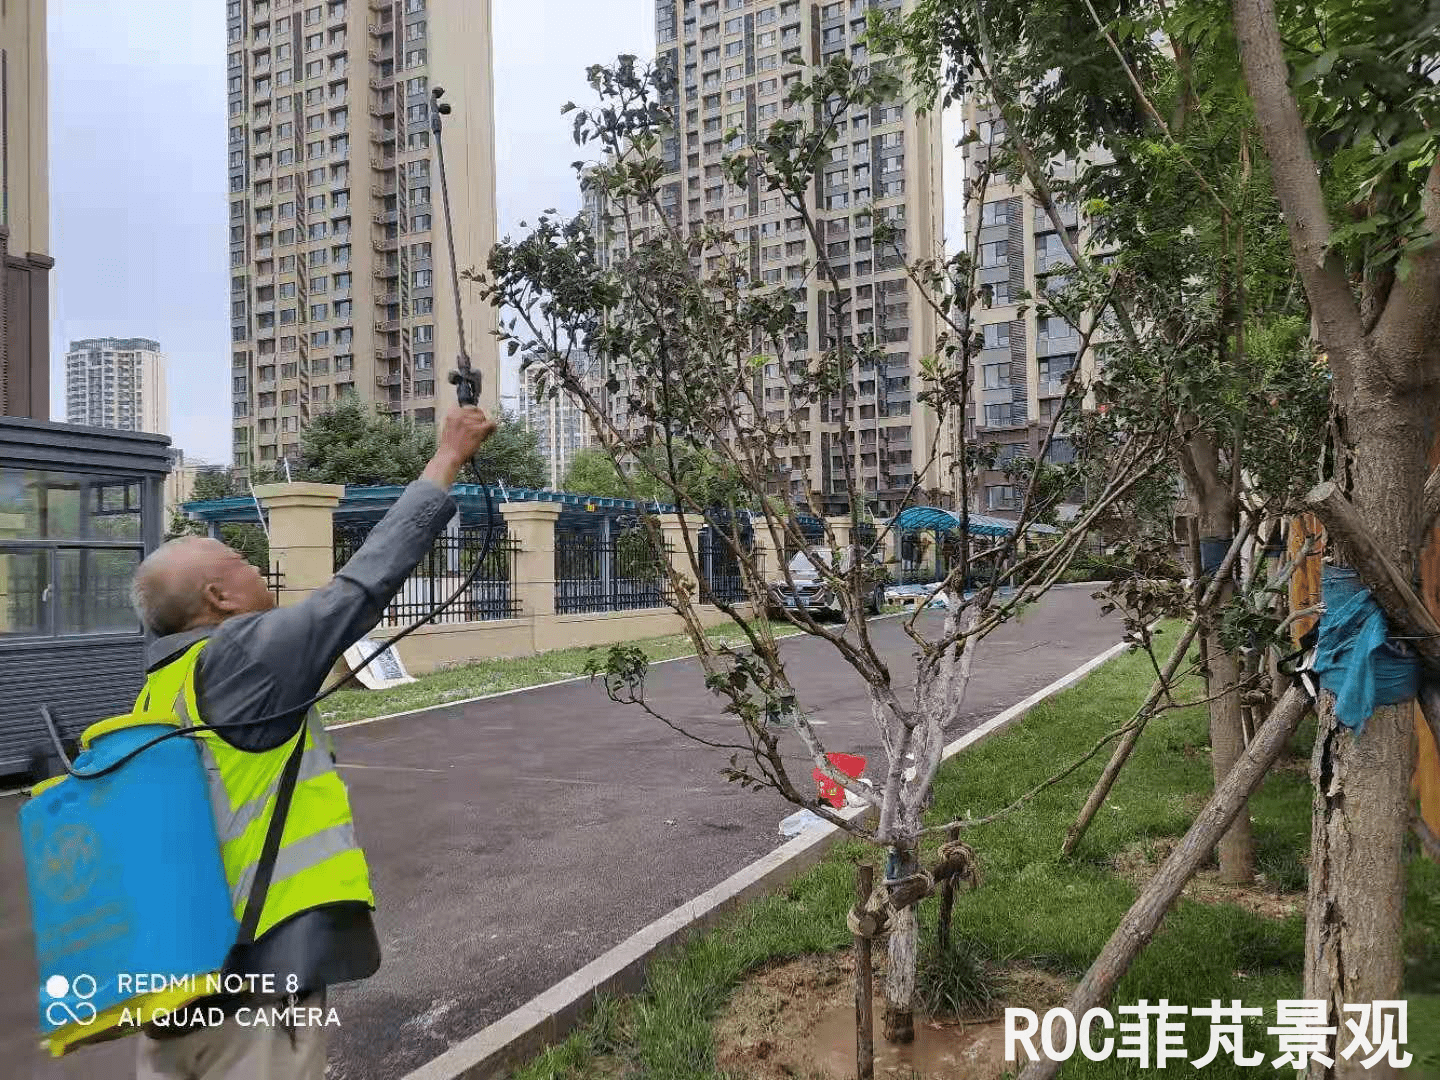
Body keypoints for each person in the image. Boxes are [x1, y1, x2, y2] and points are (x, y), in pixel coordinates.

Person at [126, 406, 496, 1080]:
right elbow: (361, 586)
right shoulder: (242, 657)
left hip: (173, 992)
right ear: (218, 596)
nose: (258, 568)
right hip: (253, 994)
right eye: (243, 561)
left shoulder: (160, 688)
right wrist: (447, 457)